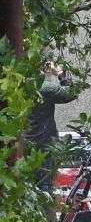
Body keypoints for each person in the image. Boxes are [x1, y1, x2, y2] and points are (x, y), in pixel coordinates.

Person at [26, 60, 81, 194]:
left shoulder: (14, 86)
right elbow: (71, 92)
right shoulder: (44, 88)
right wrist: (60, 73)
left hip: (23, 144)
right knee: (44, 187)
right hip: (44, 144)